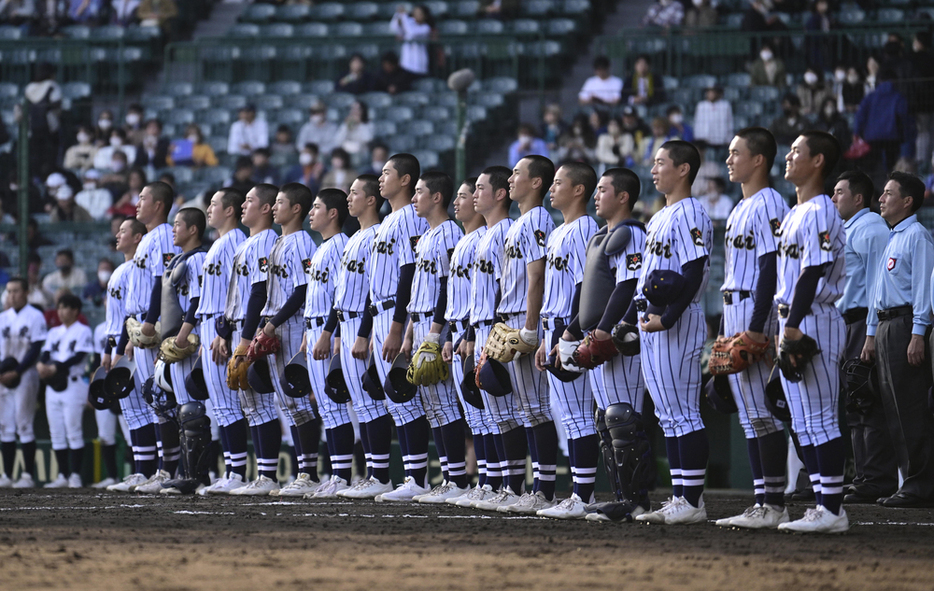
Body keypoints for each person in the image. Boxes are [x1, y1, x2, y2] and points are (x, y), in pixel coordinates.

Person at [624, 140, 713, 525]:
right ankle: (679, 496)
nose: (654, 168)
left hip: (676, 321)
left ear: (683, 170)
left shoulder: (692, 211)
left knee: (685, 413)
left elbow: (694, 270)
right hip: (652, 321)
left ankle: (692, 500)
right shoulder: (660, 215)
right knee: (668, 415)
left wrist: (670, 317)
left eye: (661, 162)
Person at [555, 167, 650, 522]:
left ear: (623, 196)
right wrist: (574, 331)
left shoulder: (631, 233)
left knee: (624, 419)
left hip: (616, 338)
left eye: (604, 190)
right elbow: (589, 293)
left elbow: (628, 285)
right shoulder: (600, 237)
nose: (596, 195)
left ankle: (636, 502)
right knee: (606, 421)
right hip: (594, 333)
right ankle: (622, 497)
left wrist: (609, 329)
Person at [713, 127, 790, 529]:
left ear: (758, 159)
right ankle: (761, 500)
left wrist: (759, 326)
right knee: (750, 416)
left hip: (753, 310)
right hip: (733, 307)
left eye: (735, 152)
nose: (729, 159)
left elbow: (770, 266)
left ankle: (774, 502)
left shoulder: (770, 202)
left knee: (764, 413)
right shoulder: (740, 205)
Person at [474, 156, 558, 514]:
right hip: (508, 321)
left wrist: (529, 327)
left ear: (536, 182)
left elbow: (536, 276)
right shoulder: (520, 223)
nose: (511, 178)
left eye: (518, 173)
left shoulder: (537, 217)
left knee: (536, 409)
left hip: (524, 322)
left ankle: (544, 490)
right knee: (526, 411)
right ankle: (523, 487)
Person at [773, 131, 848, 533]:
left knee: (820, 420)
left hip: (813, 316)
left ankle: (832, 509)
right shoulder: (795, 211)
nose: (788, 156)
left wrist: (793, 326)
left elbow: (813, 271)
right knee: (803, 424)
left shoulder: (820, 208)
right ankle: (822, 505)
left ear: (817, 161)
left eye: (797, 151)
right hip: (796, 315)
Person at [356, 154, 431, 501]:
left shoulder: (410, 218)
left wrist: (398, 326)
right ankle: (408, 477)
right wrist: (371, 329)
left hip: (399, 315)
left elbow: (409, 273)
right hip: (382, 312)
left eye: (387, 172)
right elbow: (376, 283)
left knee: (406, 397)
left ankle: (417, 477)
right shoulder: (388, 220)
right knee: (395, 401)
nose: (381, 178)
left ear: (405, 180)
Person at [392, 171, 469, 502]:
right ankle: (449, 479)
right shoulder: (425, 236)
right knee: (434, 407)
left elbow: (446, 287)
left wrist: (437, 334)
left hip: (436, 326)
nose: (413, 198)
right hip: (420, 323)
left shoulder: (449, 232)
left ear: (437, 197)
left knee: (446, 405)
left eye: (419, 192)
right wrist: (409, 334)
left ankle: (457, 479)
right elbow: (418, 292)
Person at [528, 162, 599, 519]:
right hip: (552, 327)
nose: (551, 189)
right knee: (569, 418)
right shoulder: (559, 231)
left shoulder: (585, 228)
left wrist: (568, 333)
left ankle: (582, 495)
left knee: (579, 416)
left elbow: (584, 288)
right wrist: (545, 338)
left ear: (579, 190)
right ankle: (578, 493)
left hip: (569, 327)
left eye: (559, 183)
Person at [863, 172, 934, 508]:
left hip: (906, 323)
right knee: (893, 410)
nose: (881, 198)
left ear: (907, 201)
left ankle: (920, 485)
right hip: (886, 324)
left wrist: (919, 333)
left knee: (911, 408)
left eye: (889, 193)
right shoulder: (893, 236)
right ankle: (908, 482)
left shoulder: (917, 236)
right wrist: (872, 334)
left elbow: (922, 291)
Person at [828, 170, 897, 505]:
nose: (833, 197)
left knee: (864, 398)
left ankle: (876, 478)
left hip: (862, 322)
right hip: (846, 322)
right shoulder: (849, 228)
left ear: (858, 198)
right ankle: (864, 476)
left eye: (839, 192)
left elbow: (876, 287)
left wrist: (870, 334)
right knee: (854, 402)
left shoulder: (870, 228)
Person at [251, 184, 322, 497]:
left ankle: (309, 473)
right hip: (275, 325)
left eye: (280, 203)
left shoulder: (302, 242)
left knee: (297, 400)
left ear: (296, 209)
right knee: (287, 404)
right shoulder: (279, 242)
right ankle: (302, 471)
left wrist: (273, 324)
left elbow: (302, 290)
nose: (275, 207)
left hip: (292, 325)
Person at [112, 181, 181, 494]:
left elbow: (161, 282)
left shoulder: (164, 233)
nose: (136, 203)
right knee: (155, 400)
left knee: (163, 399)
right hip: (139, 325)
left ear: (159, 204)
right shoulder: (148, 239)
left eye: (142, 198)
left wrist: (152, 322)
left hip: (153, 326)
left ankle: (170, 469)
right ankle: (159, 470)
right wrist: (133, 331)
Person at [332, 175, 395, 500]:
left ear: (371, 200)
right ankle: (372, 472)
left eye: (355, 193)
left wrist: (364, 333)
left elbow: (375, 290)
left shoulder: (375, 235)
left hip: (364, 323)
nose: (349, 198)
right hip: (347, 323)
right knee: (361, 404)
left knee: (372, 404)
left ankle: (379, 473)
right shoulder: (354, 236)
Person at [455, 166, 514, 509]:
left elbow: (503, 289)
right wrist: (467, 333)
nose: (474, 194)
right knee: (484, 414)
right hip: (476, 328)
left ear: (500, 193)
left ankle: (507, 484)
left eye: (479, 188)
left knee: (505, 413)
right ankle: (492, 482)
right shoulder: (484, 236)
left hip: (494, 330)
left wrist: (488, 332)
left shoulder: (504, 232)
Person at [222, 185, 282, 495]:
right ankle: (262, 475)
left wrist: (247, 338)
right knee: (250, 405)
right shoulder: (249, 242)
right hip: (239, 328)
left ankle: (267, 475)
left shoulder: (266, 241)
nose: (243, 204)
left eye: (250, 200)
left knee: (260, 403)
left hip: (253, 331)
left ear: (267, 208)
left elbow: (260, 292)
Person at [189, 189, 249, 495]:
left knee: (229, 405)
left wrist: (223, 332)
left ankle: (237, 472)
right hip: (210, 325)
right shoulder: (219, 243)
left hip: (223, 326)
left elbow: (236, 290)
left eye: (213, 204)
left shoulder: (235, 241)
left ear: (230, 210)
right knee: (222, 408)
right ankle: (232, 470)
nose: (208, 209)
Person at [298, 188, 354, 499]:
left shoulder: (339, 247)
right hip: (315, 327)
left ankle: (342, 476)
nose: (311, 212)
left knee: (335, 406)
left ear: (333, 213)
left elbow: (339, 298)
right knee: (327, 410)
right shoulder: (323, 247)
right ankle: (336, 474)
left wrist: (327, 334)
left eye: (316, 207)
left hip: (330, 330)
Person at [436, 178, 487, 505]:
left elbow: (480, 295)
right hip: (457, 331)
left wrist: (467, 335)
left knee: (487, 414)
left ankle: (491, 481)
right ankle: (482, 481)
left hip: (473, 331)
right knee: (474, 414)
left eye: (464, 196)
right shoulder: (466, 240)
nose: (458, 202)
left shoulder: (481, 238)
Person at [103, 218, 161, 492]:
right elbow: (115, 317)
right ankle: (141, 470)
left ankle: (148, 470)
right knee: (132, 411)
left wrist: (120, 347)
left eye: (123, 231)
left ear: (138, 237)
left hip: (135, 338)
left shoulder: (133, 271)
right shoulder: (121, 270)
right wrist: (108, 349)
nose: (117, 235)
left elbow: (130, 314)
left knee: (145, 407)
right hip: (122, 341)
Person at [36, 293, 92, 488]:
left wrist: (55, 367)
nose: (60, 311)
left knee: (73, 430)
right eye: (59, 307)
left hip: (73, 382)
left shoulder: (83, 330)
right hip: (53, 385)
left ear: (75, 310)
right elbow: (45, 353)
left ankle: (75, 475)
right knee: (56, 432)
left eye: (65, 307)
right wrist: (41, 365)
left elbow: (79, 356)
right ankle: (62, 474)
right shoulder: (54, 332)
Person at [0, 278, 47, 489]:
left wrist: (17, 371)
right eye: (9, 291)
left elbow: (36, 348)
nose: (11, 295)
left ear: (26, 292)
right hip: (3, 377)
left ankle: (27, 475)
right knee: (5, 427)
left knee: (24, 424)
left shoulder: (35, 316)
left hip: (25, 375)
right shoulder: (3, 318)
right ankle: (7, 475)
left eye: (16, 291)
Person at [854, 68, 915, 188]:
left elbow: (860, 115)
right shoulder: (898, 97)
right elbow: (905, 118)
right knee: (890, 168)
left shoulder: (871, 97)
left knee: (872, 169)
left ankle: (871, 194)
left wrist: (857, 132)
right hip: (893, 138)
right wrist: (908, 136)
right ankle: (888, 191)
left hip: (871, 138)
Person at [390, 4, 433, 77]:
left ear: (425, 16)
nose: (416, 15)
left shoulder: (426, 28)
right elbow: (394, 28)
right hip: (406, 63)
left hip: (419, 64)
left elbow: (411, 32)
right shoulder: (409, 23)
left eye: (419, 13)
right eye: (415, 13)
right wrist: (398, 15)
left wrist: (404, 16)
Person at [693, 86, 734, 153]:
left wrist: (728, 138)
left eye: (712, 92)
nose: (710, 94)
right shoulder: (701, 105)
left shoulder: (725, 105)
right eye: (709, 92)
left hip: (721, 139)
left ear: (718, 94)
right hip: (705, 138)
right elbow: (697, 122)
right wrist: (698, 137)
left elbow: (729, 122)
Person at [335, 101, 374, 166]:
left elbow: (368, 139)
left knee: (356, 158)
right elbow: (338, 140)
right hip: (346, 153)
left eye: (357, 109)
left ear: (363, 111)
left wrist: (360, 123)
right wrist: (346, 127)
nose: (354, 112)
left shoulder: (368, 124)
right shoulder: (346, 123)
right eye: (353, 109)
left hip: (361, 153)